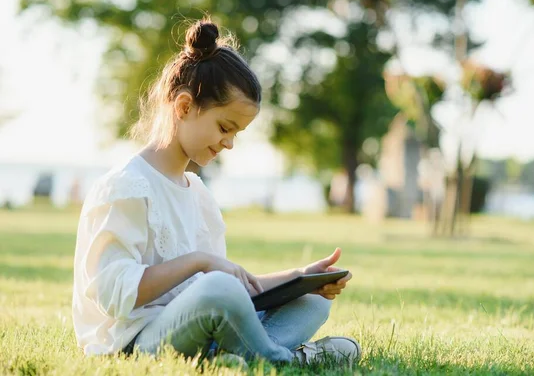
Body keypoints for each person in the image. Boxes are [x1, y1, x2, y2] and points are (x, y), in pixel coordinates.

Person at [72, 18, 361, 366]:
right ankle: (284, 359)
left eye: (237, 133)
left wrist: (300, 278)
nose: (230, 143)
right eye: (225, 127)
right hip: (135, 343)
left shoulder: (197, 193)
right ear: (183, 107)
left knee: (312, 302)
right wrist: (199, 261)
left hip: (203, 329)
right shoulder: (125, 187)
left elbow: (233, 291)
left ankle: (227, 359)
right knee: (217, 289)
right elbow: (113, 295)